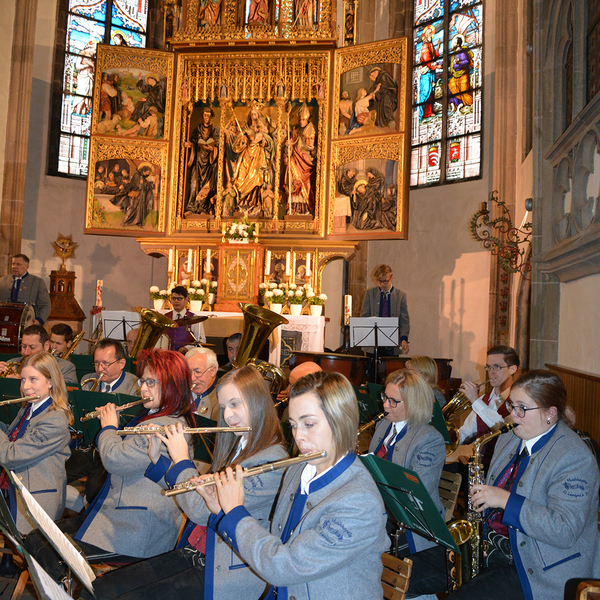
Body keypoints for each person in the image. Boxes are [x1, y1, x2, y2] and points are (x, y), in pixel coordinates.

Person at [83, 365, 288, 600]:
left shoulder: (272, 462)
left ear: (258, 402)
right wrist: (158, 460)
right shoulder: (237, 445)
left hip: (223, 569)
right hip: (197, 551)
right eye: (223, 408)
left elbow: (200, 512)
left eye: (235, 404)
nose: (228, 416)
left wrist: (182, 459)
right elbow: (194, 493)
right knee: (102, 589)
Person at [407, 370, 600, 600]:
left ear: (550, 413)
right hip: (491, 546)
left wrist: (505, 500)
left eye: (522, 408)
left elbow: (565, 530)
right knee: (405, 574)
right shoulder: (509, 438)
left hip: (535, 565)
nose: (512, 415)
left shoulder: (573, 456)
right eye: (511, 406)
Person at [205, 371, 389, 599]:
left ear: (340, 420)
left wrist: (235, 512)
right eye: (293, 425)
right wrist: (222, 510)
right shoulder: (298, 470)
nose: (298, 436)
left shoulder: (359, 501)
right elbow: (278, 538)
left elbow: (285, 567)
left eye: (309, 424)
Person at [25, 349, 197, 583]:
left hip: (136, 529)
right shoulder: (153, 415)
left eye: (151, 383)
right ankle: (66, 587)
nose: (143, 389)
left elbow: (115, 460)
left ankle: (75, 590)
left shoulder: (168, 425)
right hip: (115, 515)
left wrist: (108, 427)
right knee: (37, 540)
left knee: (49, 550)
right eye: (142, 381)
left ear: (173, 385)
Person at [369, 369, 445, 555]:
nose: (385, 405)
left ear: (413, 404)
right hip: (382, 515)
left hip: (413, 527)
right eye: (385, 397)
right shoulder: (383, 425)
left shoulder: (429, 439)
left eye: (393, 401)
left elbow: (418, 492)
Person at [0, 352, 72, 534]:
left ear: (50, 382)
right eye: (23, 380)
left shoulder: (54, 419)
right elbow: (11, 436)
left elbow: (11, 455)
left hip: (36, 497)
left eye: (33, 379)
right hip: (13, 486)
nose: (26, 386)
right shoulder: (29, 408)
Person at [454, 345, 519, 465]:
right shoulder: (484, 399)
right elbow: (465, 433)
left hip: (504, 466)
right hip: (481, 465)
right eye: (488, 367)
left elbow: (503, 428)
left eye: (497, 367)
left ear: (512, 369)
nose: (491, 373)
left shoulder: (519, 401)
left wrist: (475, 400)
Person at [0, 325, 77, 385]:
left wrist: (21, 381)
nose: (26, 352)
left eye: (32, 347)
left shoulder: (65, 368)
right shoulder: (11, 363)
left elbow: (63, 395)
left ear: (46, 345)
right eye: (24, 346)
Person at [360, 264, 410, 355]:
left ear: (391, 278)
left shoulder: (400, 295)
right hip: (373, 343)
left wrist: (404, 339)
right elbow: (364, 316)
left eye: (385, 281)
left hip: (392, 344)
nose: (382, 284)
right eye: (380, 281)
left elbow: (404, 320)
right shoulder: (370, 294)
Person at [185, 107, 219, 213]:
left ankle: (204, 206)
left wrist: (212, 148)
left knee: (207, 184)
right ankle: (193, 205)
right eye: (205, 115)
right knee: (194, 183)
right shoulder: (198, 129)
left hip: (209, 163)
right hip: (198, 160)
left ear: (211, 117)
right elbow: (193, 141)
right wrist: (190, 144)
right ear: (202, 116)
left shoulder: (214, 130)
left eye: (208, 116)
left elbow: (218, 144)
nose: (206, 118)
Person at [0, 254, 51, 324]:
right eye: (13, 264)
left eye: (18, 264)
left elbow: (45, 305)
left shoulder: (37, 282)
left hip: (28, 324)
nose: (14, 267)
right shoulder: (2, 281)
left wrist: (39, 320)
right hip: (5, 323)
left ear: (27, 267)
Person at [165, 286, 206, 352]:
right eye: (174, 298)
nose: (176, 301)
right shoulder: (165, 317)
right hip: (167, 356)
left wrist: (187, 348)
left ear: (186, 300)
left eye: (179, 298)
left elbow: (202, 341)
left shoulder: (195, 319)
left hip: (186, 357)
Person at [186, 347, 219, 420]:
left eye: (198, 372)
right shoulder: (180, 392)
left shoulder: (221, 399)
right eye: (189, 372)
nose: (192, 378)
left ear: (213, 371)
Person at [418, 24, 440, 122]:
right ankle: (419, 113)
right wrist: (436, 66)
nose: (431, 35)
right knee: (425, 92)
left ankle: (428, 112)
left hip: (431, 72)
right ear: (426, 35)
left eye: (432, 33)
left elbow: (434, 56)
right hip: (426, 73)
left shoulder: (431, 45)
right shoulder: (425, 46)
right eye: (430, 33)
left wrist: (438, 48)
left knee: (431, 92)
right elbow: (427, 59)